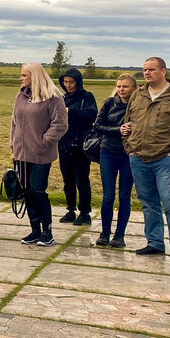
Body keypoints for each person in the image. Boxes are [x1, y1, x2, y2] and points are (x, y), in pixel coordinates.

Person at [123, 57, 170, 263]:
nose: (147, 73)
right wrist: (129, 147)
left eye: (152, 70)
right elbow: (127, 123)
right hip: (139, 157)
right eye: (144, 70)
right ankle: (154, 242)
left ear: (164, 71)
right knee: (148, 203)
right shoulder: (138, 95)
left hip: (167, 160)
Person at [10, 62, 68, 247]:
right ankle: (34, 229)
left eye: (24, 75)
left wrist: (45, 141)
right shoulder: (21, 95)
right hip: (21, 153)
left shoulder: (53, 96)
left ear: (35, 76)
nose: (21, 78)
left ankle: (47, 230)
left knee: (37, 190)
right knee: (26, 192)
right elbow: (14, 122)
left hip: (41, 154)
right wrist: (14, 146)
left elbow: (60, 124)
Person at [92, 74, 137, 248]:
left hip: (128, 154)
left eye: (125, 87)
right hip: (108, 152)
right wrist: (118, 130)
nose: (121, 89)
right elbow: (98, 125)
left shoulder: (139, 106)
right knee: (107, 196)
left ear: (134, 88)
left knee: (125, 196)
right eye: (119, 86)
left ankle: (120, 236)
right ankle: (104, 233)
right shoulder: (109, 103)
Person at [57, 67, 98, 227]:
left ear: (78, 82)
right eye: (65, 82)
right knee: (68, 180)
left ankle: (85, 212)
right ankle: (70, 209)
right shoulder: (62, 98)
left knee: (82, 179)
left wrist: (71, 112)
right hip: (64, 145)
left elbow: (91, 115)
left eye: (71, 82)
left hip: (81, 146)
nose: (68, 85)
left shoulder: (87, 97)